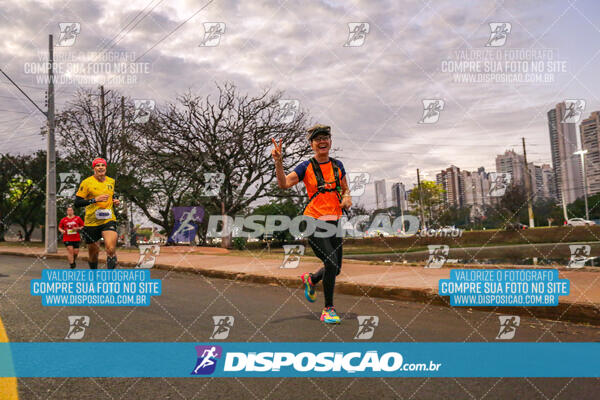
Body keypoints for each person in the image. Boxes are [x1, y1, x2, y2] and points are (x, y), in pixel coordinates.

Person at [272, 124, 352, 324]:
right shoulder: (305, 167)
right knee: (331, 262)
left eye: (325, 137)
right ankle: (329, 309)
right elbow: (283, 184)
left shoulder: (338, 165)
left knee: (336, 268)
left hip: (334, 221)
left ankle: (312, 279)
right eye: (318, 139)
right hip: (313, 221)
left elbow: (345, 189)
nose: (322, 141)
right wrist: (278, 163)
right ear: (312, 145)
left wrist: (347, 197)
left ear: (330, 142)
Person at [74, 158, 120, 269]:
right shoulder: (86, 183)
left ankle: (110, 277)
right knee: (93, 254)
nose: (100, 167)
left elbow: (113, 194)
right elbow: (77, 203)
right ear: (94, 168)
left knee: (110, 248)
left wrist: (116, 201)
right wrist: (95, 200)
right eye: (97, 165)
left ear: (105, 168)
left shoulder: (111, 181)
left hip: (108, 219)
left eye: (102, 165)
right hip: (91, 222)